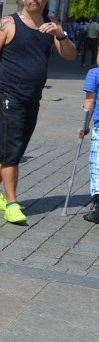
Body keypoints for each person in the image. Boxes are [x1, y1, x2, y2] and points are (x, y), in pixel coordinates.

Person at [0, 0, 77, 224]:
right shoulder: (9, 23)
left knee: (12, 147)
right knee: (12, 152)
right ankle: (11, 203)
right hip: (9, 95)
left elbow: (71, 57)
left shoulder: (51, 25)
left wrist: (61, 34)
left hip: (33, 97)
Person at [79, 51, 99, 223]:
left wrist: (84, 126)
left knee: (97, 166)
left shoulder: (94, 73)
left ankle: (98, 208)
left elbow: (89, 103)